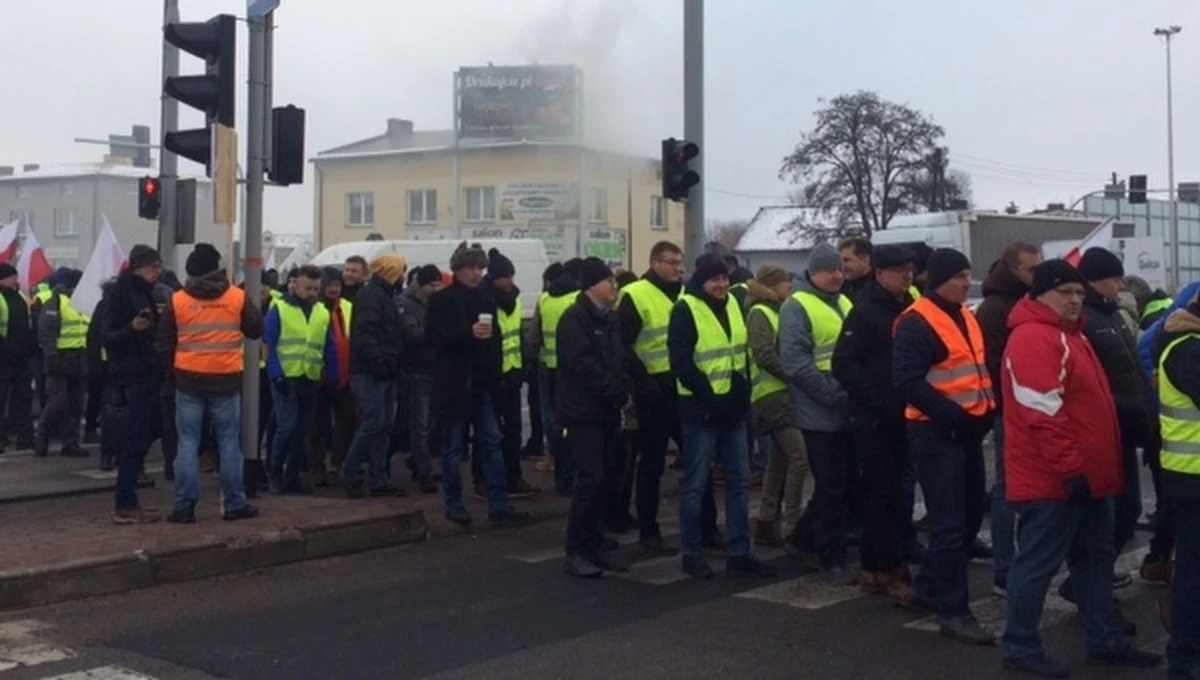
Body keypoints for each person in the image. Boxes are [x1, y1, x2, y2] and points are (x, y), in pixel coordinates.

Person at [1001, 259, 1161, 676]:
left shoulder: (1069, 334)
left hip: (1088, 475)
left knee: (1094, 560)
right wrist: (1071, 469)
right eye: (1064, 292)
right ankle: (1020, 646)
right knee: (1037, 564)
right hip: (1054, 479)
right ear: (1040, 295)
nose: (1074, 299)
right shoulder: (1035, 338)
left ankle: (1104, 641)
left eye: (1077, 292)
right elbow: (1042, 412)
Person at [893, 247, 995, 645]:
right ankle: (954, 612)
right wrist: (955, 417)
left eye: (969, 275)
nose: (968, 283)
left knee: (968, 519)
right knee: (950, 524)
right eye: (960, 277)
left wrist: (984, 413)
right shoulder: (917, 322)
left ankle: (928, 585)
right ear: (939, 281)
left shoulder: (964, 315)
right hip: (937, 434)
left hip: (966, 431)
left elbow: (975, 370)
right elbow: (907, 382)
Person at [669, 254, 777, 580]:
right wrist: (712, 397)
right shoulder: (686, 309)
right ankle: (692, 552)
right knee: (696, 484)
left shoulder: (733, 304)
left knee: (739, 482)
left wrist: (741, 393)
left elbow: (739, 354)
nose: (722, 285)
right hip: (700, 410)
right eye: (715, 280)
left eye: (724, 279)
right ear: (703, 282)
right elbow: (682, 363)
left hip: (733, 409)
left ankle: (739, 551)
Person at [832, 245, 917, 605]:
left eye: (909, 270)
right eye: (899, 270)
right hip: (875, 418)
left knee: (894, 494)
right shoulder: (865, 311)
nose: (907, 276)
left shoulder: (908, 306)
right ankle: (889, 570)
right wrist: (876, 401)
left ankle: (873, 566)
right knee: (883, 495)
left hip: (904, 414)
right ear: (880, 273)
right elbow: (843, 363)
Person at [157, 243, 263, 523]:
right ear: (217, 268)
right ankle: (234, 503)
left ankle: (184, 507)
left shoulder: (178, 300)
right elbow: (256, 329)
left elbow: (164, 343)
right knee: (228, 442)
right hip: (226, 379)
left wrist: (172, 375)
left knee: (187, 443)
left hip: (188, 380)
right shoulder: (236, 297)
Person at [428, 243, 529, 526]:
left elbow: (494, 343)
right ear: (457, 270)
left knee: (492, 441)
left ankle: (499, 504)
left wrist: (497, 378)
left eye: (479, 268)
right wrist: (468, 334)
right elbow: (434, 338)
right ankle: (454, 504)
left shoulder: (485, 300)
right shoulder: (442, 300)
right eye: (470, 268)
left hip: (482, 384)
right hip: (454, 385)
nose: (475, 274)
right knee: (453, 448)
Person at [1077, 249, 1153, 599]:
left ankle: (1094, 576)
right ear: (1095, 280)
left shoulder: (1114, 315)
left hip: (1127, 425)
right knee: (1112, 511)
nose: (1120, 285)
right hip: (1107, 428)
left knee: (1127, 508)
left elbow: (1132, 368)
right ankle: (1089, 581)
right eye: (1114, 278)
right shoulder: (1087, 319)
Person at [617, 241, 701, 555]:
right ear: (655, 263)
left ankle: (705, 527)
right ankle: (648, 530)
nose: (679, 268)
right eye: (672, 262)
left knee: (698, 457)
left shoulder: (685, 294)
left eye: (680, 262)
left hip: (684, 386)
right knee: (652, 463)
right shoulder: (636, 294)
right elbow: (622, 345)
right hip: (653, 390)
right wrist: (643, 380)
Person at [779, 243, 855, 576]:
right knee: (830, 485)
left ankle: (803, 539)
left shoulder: (844, 302)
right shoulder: (797, 306)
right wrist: (832, 394)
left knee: (840, 484)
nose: (836, 275)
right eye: (829, 270)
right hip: (818, 411)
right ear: (812, 273)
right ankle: (830, 555)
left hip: (844, 406)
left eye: (839, 269)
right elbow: (796, 364)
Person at [974, 241, 1041, 596]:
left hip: (1029, 407)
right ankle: (1005, 568)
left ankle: (1024, 562)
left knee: (1026, 488)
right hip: (1009, 411)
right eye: (1032, 269)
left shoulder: (1025, 301)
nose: (1037, 275)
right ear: (1013, 269)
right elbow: (996, 365)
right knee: (1008, 489)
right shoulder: (996, 309)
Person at [559, 258, 631, 577]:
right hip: (583, 412)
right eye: (608, 281)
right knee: (592, 479)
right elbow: (583, 365)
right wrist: (615, 391)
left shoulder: (609, 319)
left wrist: (625, 387)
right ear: (592, 286)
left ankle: (596, 543)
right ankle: (576, 549)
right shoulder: (574, 320)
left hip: (607, 410)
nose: (614, 287)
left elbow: (619, 359)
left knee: (608, 479)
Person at [745, 264, 808, 549]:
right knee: (799, 457)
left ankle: (766, 519)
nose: (790, 288)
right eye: (786, 283)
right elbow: (763, 353)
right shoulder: (760, 312)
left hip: (782, 394)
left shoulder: (778, 310)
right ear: (773, 286)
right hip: (772, 395)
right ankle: (791, 522)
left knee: (780, 459)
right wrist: (792, 374)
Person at [1155, 290, 1200, 678]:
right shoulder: (1188, 349)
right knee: (1193, 573)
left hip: (1189, 475)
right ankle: (1184, 656)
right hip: (1192, 478)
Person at [341, 255, 407, 497]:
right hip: (371, 371)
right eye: (401, 271)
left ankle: (379, 478)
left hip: (384, 369)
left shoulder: (382, 295)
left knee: (384, 425)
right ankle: (350, 470)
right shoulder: (373, 296)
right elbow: (366, 334)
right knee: (375, 422)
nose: (403, 277)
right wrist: (379, 362)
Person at [477, 248, 538, 498]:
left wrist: (523, 367)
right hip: (493, 376)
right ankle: (485, 480)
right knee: (489, 434)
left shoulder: (515, 300)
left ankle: (513, 477)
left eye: (512, 276)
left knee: (513, 431)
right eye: (506, 277)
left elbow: (518, 337)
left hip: (512, 374)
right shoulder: (484, 301)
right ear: (494, 278)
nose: (511, 282)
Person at [264, 264, 327, 495]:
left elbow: (326, 344)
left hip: (310, 376)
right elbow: (268, 345)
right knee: (287, 426)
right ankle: (275, 472)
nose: (312, 293)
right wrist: (276, 374)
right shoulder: (280, 309)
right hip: (286, 377)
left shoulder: (321, 311)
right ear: (296, 286)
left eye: (315, 289)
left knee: (302, 430)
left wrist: (331, 373)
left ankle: (292, 475)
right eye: (308, 288)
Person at [528, 259, 583, 493]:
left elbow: (533, 337)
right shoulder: (580, 299)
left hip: (548, 367)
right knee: (576, 422)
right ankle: (574, 475)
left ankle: (558, 467)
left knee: (552, 418)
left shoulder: (545, 299)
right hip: (574, 369)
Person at [306, 267, 358, 488]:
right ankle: (316, 468)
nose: (334, 289)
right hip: (318, 376)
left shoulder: (347, 307)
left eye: (337, 285)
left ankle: (339, 464)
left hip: (345, 376)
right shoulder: (313, 308)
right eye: (330, 285)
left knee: (347, 423)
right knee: (316, 426)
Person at [396, 264, 442, 494]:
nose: (436, 289)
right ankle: (423, 470)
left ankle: (419, 460)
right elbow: (412, 335)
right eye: (432, 285)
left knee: (432, 422)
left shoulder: (432, 304)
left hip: (434, 369)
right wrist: (438, 331)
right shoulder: (405, 305)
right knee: (420, 423)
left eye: (438, 285)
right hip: (416, 370)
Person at [35, 268, 88, 458]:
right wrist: (52, 356)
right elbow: (47, 332)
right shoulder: (56, 302)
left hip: (79, 359)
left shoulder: (82, 303)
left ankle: (70, 443)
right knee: (57, 402)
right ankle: (41, 438)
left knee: (76, 405)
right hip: (60, 358)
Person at [0, 263, 35, 454]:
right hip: (3, 357)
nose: (15, 280)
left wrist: (29, 346)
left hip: (22, 358)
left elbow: (28, 324)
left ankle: (25, 437)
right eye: (12, 277)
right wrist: (7, 348)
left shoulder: (20, 297)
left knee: (24, 398)